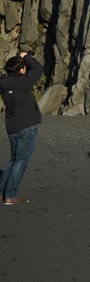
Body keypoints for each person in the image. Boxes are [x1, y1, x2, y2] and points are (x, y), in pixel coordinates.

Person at [0, 50, 44, 205]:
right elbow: (38, 69)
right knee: (21, 162)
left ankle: (2, 192)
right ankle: (10, 195)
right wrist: (27, 57)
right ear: (20, 70)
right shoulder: (22, 82)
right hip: (26, 126)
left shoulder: (3, 82)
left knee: (13, 160)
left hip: (12, 126)